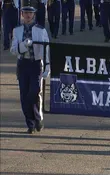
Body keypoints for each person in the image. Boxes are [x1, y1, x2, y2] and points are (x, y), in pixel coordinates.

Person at [10, 0, 50, 134]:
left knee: (34, 92)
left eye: (30, 13)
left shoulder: (40, 30)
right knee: (24, 95)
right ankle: (30, 124)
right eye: (25, 13)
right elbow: (13, 49)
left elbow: (46, 49)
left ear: (34, 15)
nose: (28, 15)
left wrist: (47, 67)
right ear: (22, 14)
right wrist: (23, 46)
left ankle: (38, 118)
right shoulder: (17, 30)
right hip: (23, 64)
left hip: (36, 64)